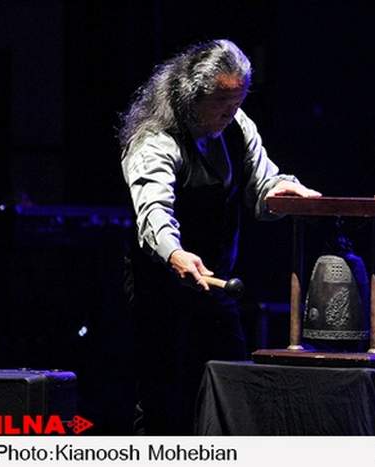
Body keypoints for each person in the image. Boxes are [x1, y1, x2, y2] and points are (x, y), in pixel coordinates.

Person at [119, 39, 320, 434]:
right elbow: (153, 211)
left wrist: (279, 191)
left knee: (230, 388)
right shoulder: (155, 139)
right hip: (160, 289)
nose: (232, 112)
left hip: (217, 286)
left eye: (238, 101)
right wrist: (175, 254)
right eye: (222, 103)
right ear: (192, 98)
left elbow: (262, 184)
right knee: (163, 398)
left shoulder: (238, 125)